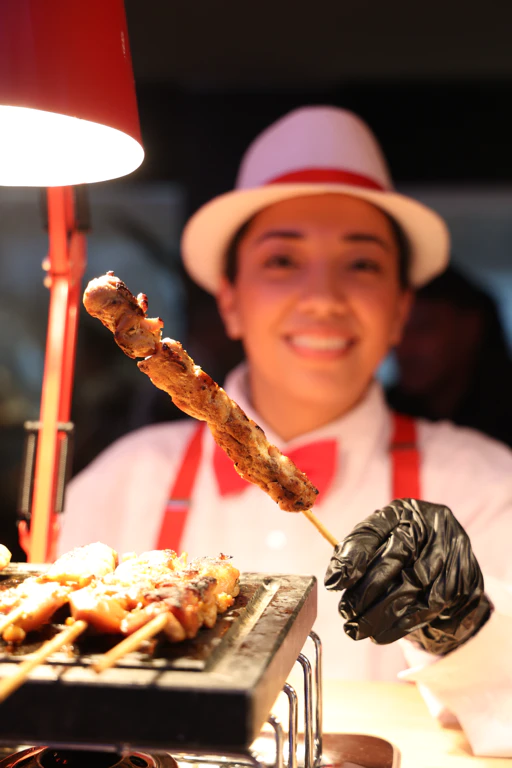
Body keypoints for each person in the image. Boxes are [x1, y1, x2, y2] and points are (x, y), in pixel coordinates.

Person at [59, 106, 512, 757]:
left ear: (400, 308)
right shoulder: (124, 480)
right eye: (282, 260)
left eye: (361, 264)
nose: (322, 297)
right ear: (230, 300)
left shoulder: (489, 486)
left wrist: (463, 621)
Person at [387, 264, 512, 447]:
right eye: (399, 329)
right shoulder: (385, 415)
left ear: (470, 328)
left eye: (424, 327)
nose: (405, 346)